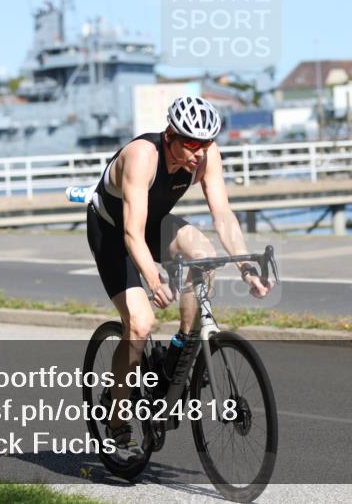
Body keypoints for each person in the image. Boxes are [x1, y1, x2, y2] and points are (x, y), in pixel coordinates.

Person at [85, 96, 272, 455]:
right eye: (191, 144)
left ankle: (180, 350)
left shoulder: (205, 156)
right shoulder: (143, 157)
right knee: (140, 324)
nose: (199, 153)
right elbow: (131, 234)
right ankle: (117, 414)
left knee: (204, 256)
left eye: (205, 144)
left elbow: (223, 215)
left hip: (153, 225)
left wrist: (246, 269)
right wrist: (152, 279)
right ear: (170, 134)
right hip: (112, 231)